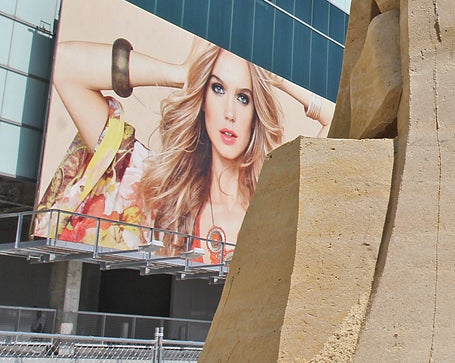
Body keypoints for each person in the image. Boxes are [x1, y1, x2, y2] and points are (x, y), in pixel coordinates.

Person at [36, 37, 333, 261]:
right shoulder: (148, 186)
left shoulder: (273, 198)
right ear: (202, 101)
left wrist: (279, 82)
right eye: (217, 89)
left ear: (257, 113)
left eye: (244, 97)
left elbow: (333, 118)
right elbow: (67, 65)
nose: (230, 111)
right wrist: (181, 73)